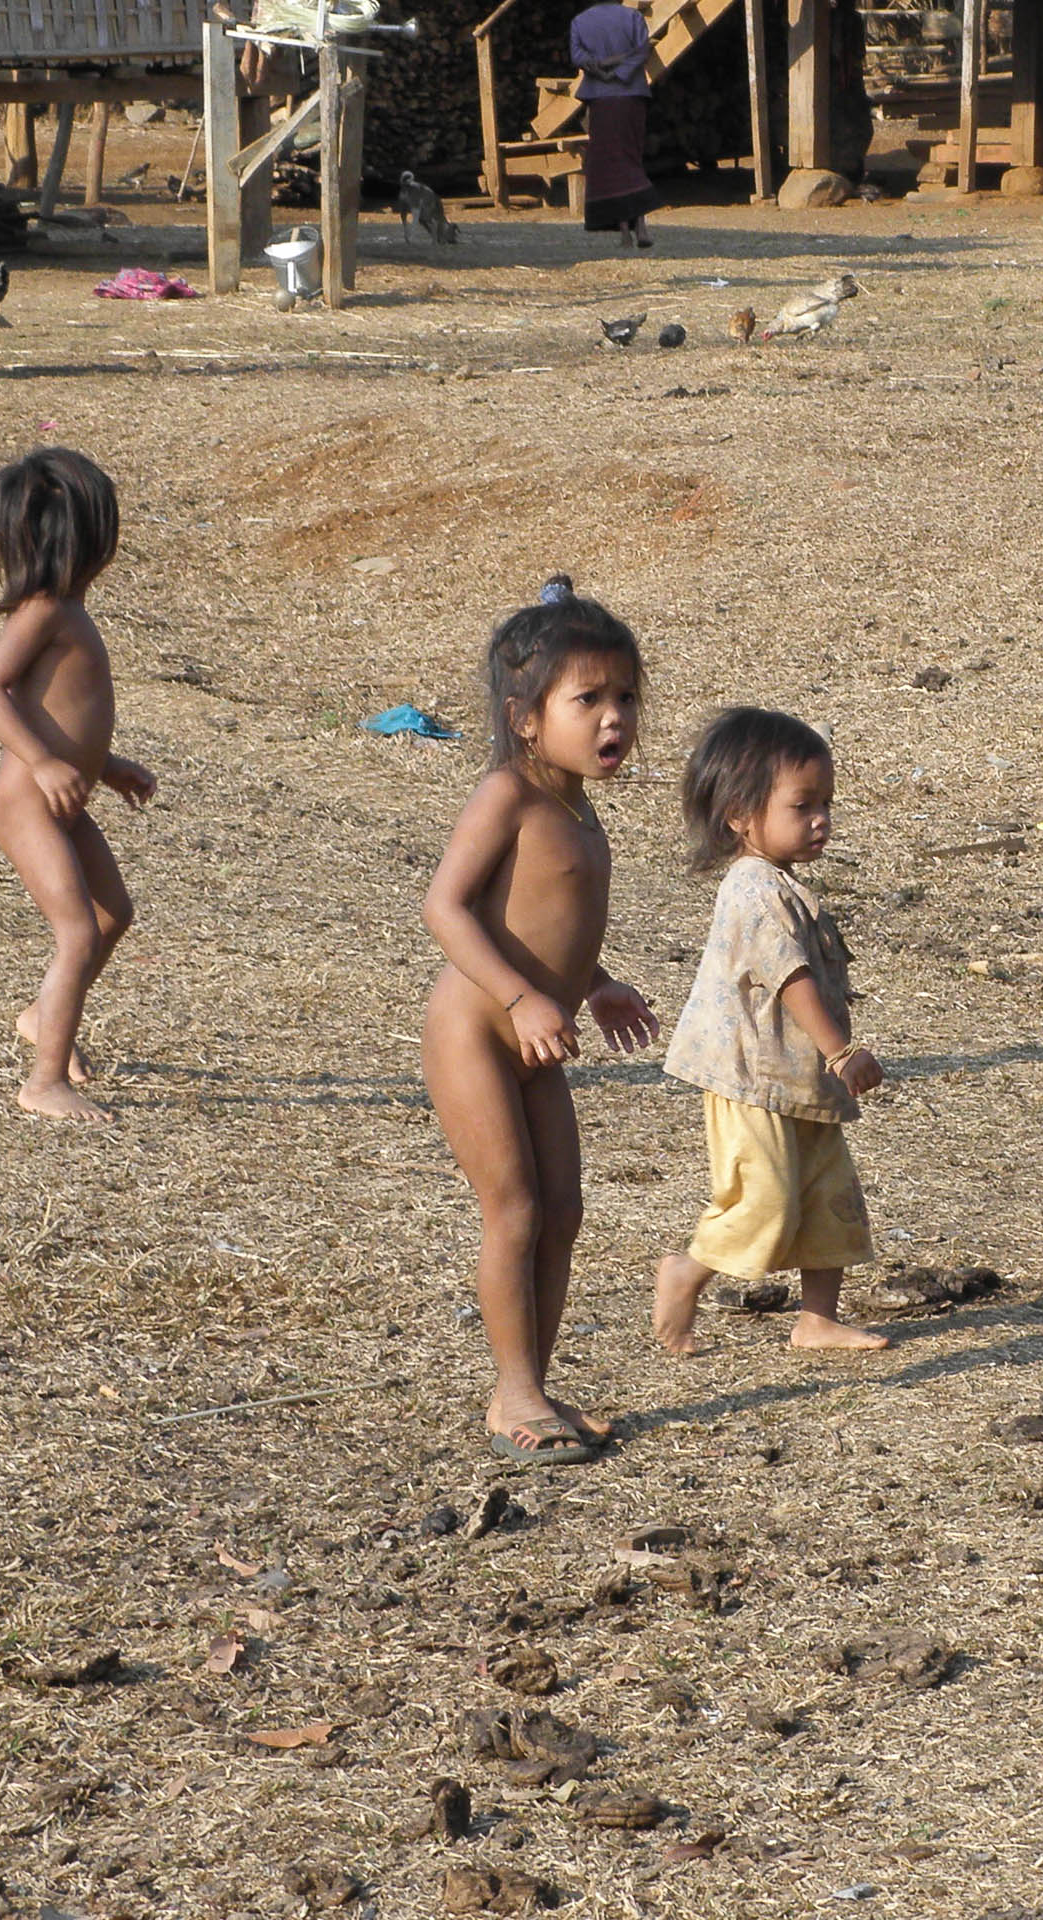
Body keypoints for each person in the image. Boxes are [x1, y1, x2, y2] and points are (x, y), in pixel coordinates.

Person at [423, 578, 659, 1466]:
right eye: (588, 699)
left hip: (537, 1041)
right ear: (525, 719)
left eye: (625, 697)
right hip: (476, 1032)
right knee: (514, 1209)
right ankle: (513, 1392)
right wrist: (521, 999)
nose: (614, 717)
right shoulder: (508, 796)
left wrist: (594, 983)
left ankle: (532, 1383)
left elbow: (541, 923)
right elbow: (447, 908)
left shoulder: (577, 807)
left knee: (563, 1210)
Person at [651, 708, 891, 1355]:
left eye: (826, 804)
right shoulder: (753, 889)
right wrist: (840, 1050)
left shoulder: (781, 884)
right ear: (739, 814)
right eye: (802, 806)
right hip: (754, 1080)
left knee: (829, 1199)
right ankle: (687, 1271)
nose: (821, 820)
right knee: (766, 1198)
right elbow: (789, 976)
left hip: (800, 1079)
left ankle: (817, 1319)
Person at [0, 447, 154, 1123]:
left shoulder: (69, 609)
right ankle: (44, 1082)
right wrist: (42, 764)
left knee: (113, 915)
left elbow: (65, 715)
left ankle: (41, 1015)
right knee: (76, 933)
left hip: (64, 801)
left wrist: (107, 765)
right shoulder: (44, 609)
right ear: (84, 538)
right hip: (29, 803)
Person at [569, 0, 662, 248]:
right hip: (630, 95)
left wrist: (600, 70)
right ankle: (640, 226)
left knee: (611, 162)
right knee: (631, 158)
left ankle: (624, 231)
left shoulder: (580, 21)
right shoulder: (633, 18)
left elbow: (577, 56)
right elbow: (641, 52)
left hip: (600, 98)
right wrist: (618, 73)